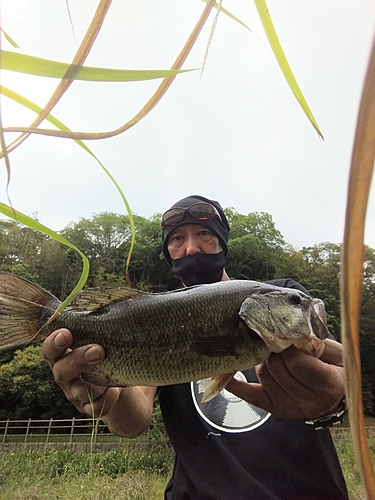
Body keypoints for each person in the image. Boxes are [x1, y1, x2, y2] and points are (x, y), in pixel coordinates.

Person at [42, 195, 349, 500]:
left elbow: (340, 375)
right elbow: (134, 420)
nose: (190, 248)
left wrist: (335, 396)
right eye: (177, 239)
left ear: (222, 241)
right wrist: (110, 394)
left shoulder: (285, 291)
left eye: (203, 233)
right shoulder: (153, 315)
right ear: (167, 253)